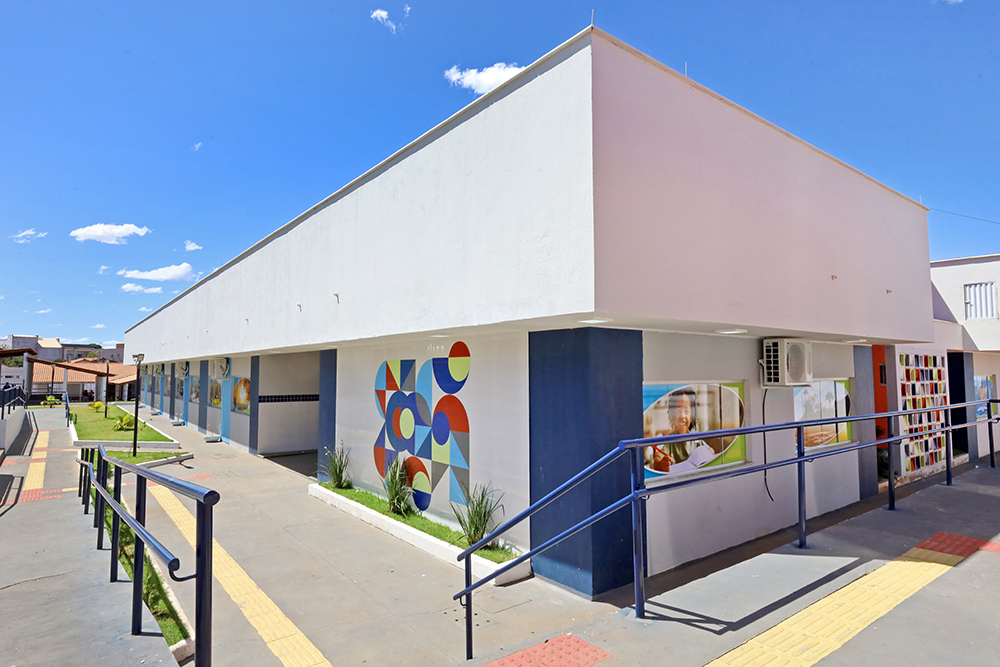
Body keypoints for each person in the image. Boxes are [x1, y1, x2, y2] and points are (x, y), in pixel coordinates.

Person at [646, 389, 716, 473]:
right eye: (678, 411)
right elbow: (657, 459)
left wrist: (708, 453)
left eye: (686, 411)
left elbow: (711, 450)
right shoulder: (671, 440)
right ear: (673, 416)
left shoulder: (695, 437)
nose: (682, 415)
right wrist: (662, 464)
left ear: (691, 417)